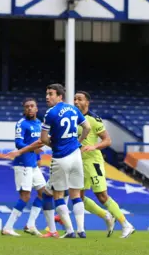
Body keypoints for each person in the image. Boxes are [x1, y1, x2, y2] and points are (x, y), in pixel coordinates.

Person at [6, 84, 91, 238]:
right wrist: (78, 142)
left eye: (50, 94)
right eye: (46, 94)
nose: (47, 97)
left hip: (60, 157)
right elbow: (87, 127)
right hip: (76, 156)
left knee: (56, 195)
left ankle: (70, 230)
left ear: (59, 96)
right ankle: (80, 230)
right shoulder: (73, 109)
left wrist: (53, 144)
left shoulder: (50, 114)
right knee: (74, 194)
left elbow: (43, 140)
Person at [73, 91, 135, 239]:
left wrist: (93, 147)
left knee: (101, 195)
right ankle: (106, 215)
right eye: (74, 99)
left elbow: (107, 140)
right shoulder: (72, 119)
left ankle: (126, 224)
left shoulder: (93, 119)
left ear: (87, 102)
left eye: (79, 99)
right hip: (78, 162)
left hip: (93, 162)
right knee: (77, 197)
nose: (76, 101)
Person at [2, 98, 52, 236]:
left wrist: (38, 157)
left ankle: (30, 224)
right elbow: (19, 143)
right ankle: (8, 227)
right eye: (27, 107)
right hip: (23, 164)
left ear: (36, 109)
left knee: (45, 192)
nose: (30, 108)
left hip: (33, 165)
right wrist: (33, 150)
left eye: (32, 106)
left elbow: (37, 144)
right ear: (24, 109)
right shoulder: (21, 124)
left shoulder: (39, 124)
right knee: (25, 196)